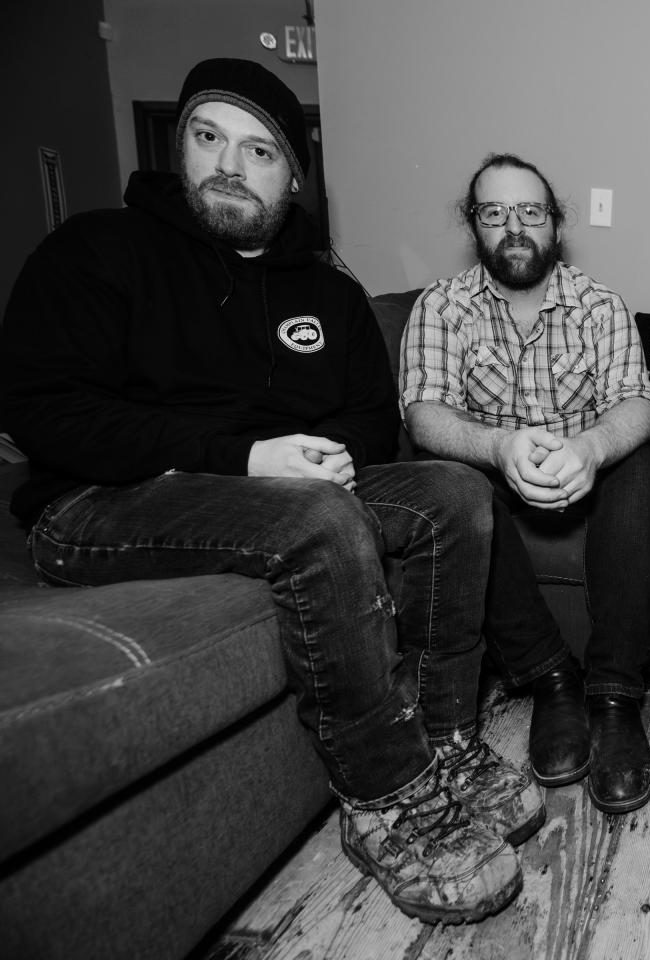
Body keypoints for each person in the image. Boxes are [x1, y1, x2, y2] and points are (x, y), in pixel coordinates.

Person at [0, 59, 539, 924]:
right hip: (107, 501)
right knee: (316, 515)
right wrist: (248, 457)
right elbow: (44, 411)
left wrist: (326, 456)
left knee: (454, 491)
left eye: (259, 150)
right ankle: (386, 796)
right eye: (209, 137)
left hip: (286, 491)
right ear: (180, 146)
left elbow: (370, 416)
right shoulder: (95, 251)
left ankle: (444, 740)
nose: (229, 165)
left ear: (292, 174)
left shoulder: (327, 289)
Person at [400, 154, 650, 814]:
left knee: (637, 459)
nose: (515, 227)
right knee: (450, 479)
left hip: (591, 484)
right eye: (494, 213)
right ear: (474, 225)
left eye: (531, 212)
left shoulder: (601, 304)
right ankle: (552, 678)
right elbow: (424, 410)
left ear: (555, 224)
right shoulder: (444, 306)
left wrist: (592, 448)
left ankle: (614, 694)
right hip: (496, 490)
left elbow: (637, 400)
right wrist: (495, 445)